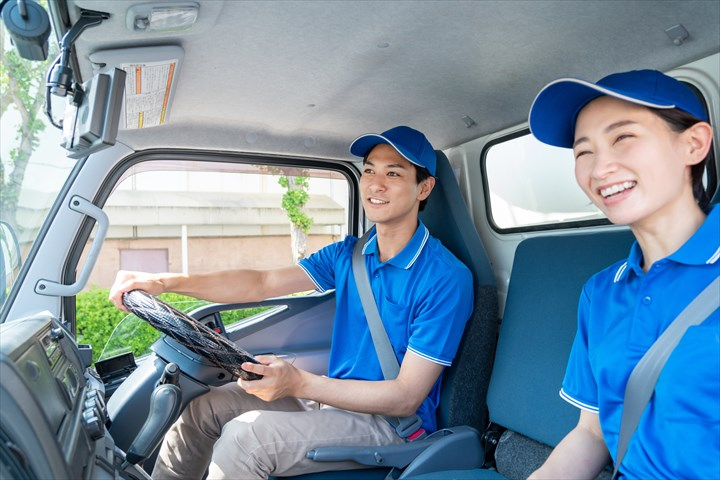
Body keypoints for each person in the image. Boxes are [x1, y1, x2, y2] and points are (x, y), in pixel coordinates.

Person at [108, 125, 474, 479]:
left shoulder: (445, 278)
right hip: (335, 399)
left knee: (245, 439)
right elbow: (260, 282)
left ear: (424, 188)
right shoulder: (351, 254)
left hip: (389, 425)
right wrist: (162, 282)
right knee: (204, 409)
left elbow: (404, 398)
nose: (375, 185)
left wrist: (298, 382)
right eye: (369, 171)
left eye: (393, 173)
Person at [527, 70, 719, 479]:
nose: (600, 169)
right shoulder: (600, 292)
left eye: (623, 138)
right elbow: (592, 434)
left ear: (694, 144)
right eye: (583, 153)